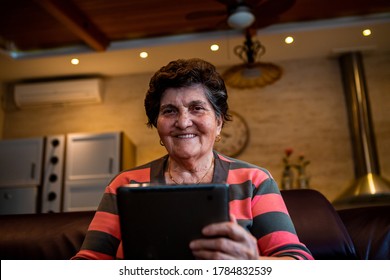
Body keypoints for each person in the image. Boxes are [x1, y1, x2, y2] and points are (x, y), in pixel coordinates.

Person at [72, 58, 314, 260]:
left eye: (197, 108)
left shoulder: (254, 181)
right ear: (157, 124)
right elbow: (88, 262)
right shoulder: (125, 184)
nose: (183, 121)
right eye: (169, 111)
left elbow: (297, 261)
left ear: (218, 123)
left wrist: (253, 263)